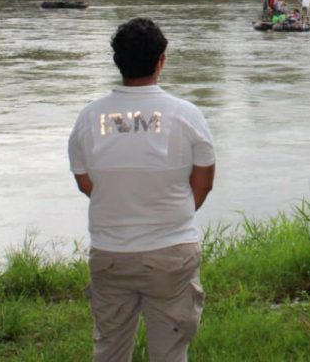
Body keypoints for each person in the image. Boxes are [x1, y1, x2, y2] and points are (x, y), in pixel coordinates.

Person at [69, 18, 216, 362]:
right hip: (171, 252)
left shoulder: (89, 118)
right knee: (170, 352)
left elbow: (85, 182)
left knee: (109, 349)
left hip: (110, 253)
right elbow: (204, 182)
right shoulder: (187, 115)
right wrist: (167, 211)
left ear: (117, 61)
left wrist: (121, 200)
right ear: (161, 60)